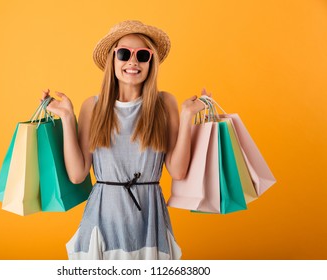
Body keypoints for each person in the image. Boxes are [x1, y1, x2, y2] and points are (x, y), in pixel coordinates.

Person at [42, 20, 209, 260]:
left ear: (151, 63)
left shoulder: (165, 104)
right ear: (113, 60)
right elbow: (78, 175)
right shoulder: (93, 106)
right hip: (102, 218)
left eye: (142, 55)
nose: (133, 61)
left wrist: (187, 117)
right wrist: (68, 118)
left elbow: (178, 171)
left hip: (149, 219)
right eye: (123, 54)